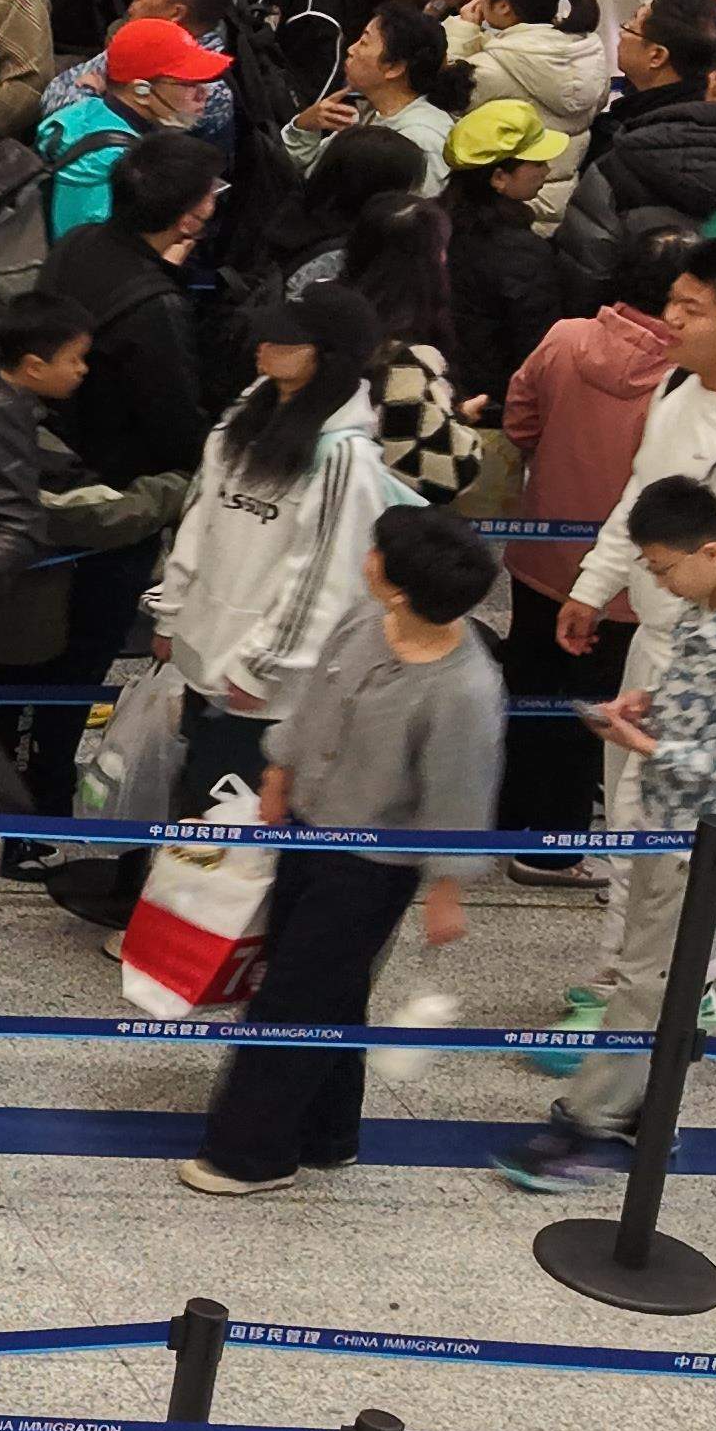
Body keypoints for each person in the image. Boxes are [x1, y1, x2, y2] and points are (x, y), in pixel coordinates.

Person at [499, 468, 716, 1197]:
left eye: (664, 568)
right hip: (675, 827)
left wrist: (651, 748)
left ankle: (590, 1124)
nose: (661, 584)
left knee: (650, 981)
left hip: (711, 842)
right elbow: (709, 706)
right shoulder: (712, 608)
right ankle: (652, 1109)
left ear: (710, 550)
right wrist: (651, 705)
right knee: (662, 979)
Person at [174, 509, 509, 1195]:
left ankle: (251, 1155)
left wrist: (448, 888)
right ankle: (329, 1134)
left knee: (291, 999)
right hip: (306, 827)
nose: (368, 559)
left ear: (401, 585)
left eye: (377, 555)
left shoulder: (464, 688)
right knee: (332, 988)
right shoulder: (364, 622)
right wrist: (279, 770)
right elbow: (311, 704)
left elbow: (460, 793)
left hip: (371, 866)